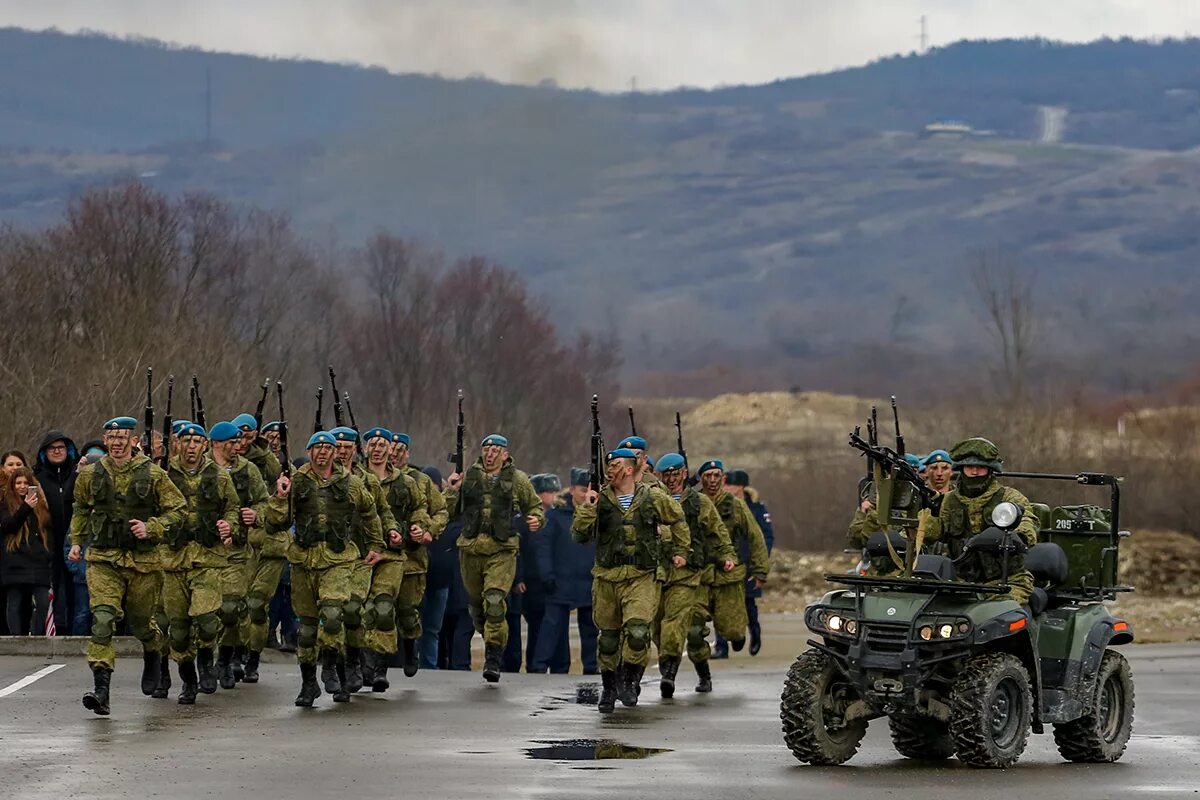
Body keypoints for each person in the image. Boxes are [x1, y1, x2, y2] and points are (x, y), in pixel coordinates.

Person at [68, 416, 186, 716]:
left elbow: (179, 511)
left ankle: (153, 651)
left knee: (141, 623)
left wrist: (153, 527)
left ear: (134, 441)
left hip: (143, 563)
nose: (118, 443)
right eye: (112, 437)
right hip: (104, 559)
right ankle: (101, 690)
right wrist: (78, 542)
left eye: (123, 437)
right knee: (103, 620)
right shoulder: (90, 475)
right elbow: (81, 507)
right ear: (104, 440)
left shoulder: (155, 475)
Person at [266, 431, 385, 707]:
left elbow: (370, 512)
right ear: (309, 452)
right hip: (304, 561)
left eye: (328, 448)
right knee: (306, 629)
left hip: (338, 560)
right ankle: (309, 683)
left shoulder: (351, 483)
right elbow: (275, 524)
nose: (322, 452)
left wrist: (376, 544)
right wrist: (280, 497)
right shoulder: (296, 482)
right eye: (317, 448)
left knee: (333, 615)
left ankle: (331, 666)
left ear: (335, 453)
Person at [572, 448, 690, 713]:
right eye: (608, 465)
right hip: (607, 577)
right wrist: (587, 508)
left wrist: (681, 550)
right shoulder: (600, 499)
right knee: (609, 639)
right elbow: (580, 536)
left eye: (615, 465)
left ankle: (629, 678)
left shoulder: (652, 497)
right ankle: (608, 686)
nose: (609, 469)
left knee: (637, 632)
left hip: (641, 576)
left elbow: (678, 518)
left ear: (628, 469)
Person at [445, 434, 545, 683]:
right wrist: (451, 490)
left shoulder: (518, 479)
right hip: (470, 550)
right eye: (486, 449)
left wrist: (536, 520)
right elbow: (448, 511)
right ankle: (492, 636)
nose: (490, 454)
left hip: (502, 549)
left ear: (505, 454)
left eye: (495, 449)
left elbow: (535, 506)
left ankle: (493, 657)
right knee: (478, 607)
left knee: (494, 601)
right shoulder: (468, 477)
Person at [162, 422, 242, 703]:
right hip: (174, 559)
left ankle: (206, 658)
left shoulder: (219, 476)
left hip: (208, 557)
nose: (192, 446)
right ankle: (188, 680)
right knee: (179, 630)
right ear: (178, 444)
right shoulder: (164, 474)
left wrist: (228, 525)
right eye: (187, 441)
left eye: (197, 441)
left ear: (205, 445)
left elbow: (232, 508)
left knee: (207, 621)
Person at [653, 453, 735, 696]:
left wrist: (727, 555)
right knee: (657, 629)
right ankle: (670, 664)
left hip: (690, 574)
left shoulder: (699, 502)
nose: (671, 479)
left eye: (675, 474)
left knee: (691, 629)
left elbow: (717, 531)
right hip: (658, 573)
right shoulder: (653, 500)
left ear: (684, 473)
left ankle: (676, 674)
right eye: (666, 475)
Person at [329, 425, 402, 693]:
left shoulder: (366, 480)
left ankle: (353, 663)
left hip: (359, 556)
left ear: (355, 450)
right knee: (332, 614)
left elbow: (382, 510)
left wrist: (391, 531)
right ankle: (336, 666)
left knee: (353, 611)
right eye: (337, 447)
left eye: (347, 447)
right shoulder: (316, 478)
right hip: (328, 558)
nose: (342, 452)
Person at [360, 426, 432, 689]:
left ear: (392, 449)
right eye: (373, 445)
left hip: (394, 554)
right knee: (360, 611)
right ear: (365, 448)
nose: (378, 450)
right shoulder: (355, 477)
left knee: (386, 607)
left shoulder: (407, 482)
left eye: (383, 445)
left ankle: (384, 665)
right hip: (362, 553)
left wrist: (418, 527)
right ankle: (365, 666)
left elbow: (420, 509)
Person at [924, 438, 1037, 603]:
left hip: (1006, 583)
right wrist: (908, 532)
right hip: (959, 583)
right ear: (962, 468)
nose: (975, 472)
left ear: (990, 470)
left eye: (981, 467)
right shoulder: (948, 501)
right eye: (970, 467)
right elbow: (930, 531)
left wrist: (1019, 536)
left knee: (1002, 617)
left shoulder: (1008, 497)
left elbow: (1027, 522)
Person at [208, 421, 270, 687]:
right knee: (207, 611)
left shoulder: (249, 470)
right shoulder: (201, 469)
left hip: (237, 550)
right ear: (217, 444)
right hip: (204, 549)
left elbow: (265, 502)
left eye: (239, 442)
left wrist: (256, 515)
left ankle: (225, 658)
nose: (238, 447)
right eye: (232, 443)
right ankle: (205, 662)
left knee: (231, 607)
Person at [697, 460, 769, 660]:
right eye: (707, 476)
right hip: (700, 575)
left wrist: (760, 569)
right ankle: (707, 663)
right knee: (695, 627)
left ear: (722, 478)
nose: (712, 480)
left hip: (729, 573)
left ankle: (742, 636)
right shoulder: (694, 503)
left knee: (734, 627)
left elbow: (756, 535)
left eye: (716, 476)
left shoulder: (735, 505)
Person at [531, 468, 599, 674]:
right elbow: (543, 547)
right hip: (561, 582)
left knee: (590, 629)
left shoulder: (597, 515)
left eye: (590, 489)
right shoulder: (556, 515)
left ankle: (592, 667)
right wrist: (547, 576)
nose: (586, 494)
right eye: (582, 489)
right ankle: (538, 667)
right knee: (551, 629)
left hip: (589, 581)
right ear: (571, 490)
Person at [717, 469, 774, 657]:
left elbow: (766, 536)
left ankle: (755, 634)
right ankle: (721, 647)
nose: (725, 487)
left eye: (729, 484)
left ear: (740, 486)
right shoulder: (721, 506)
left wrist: (759, 562)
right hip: (726, 562)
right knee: (722, 604)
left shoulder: (756, 508)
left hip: (749, 563)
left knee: (748, 604)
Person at [34, 430, 79, 634]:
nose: (57, 451)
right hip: (48, 542)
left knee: (76, 588)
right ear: (45, 452)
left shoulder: (77, 475)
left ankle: (75, 629)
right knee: (54, 588)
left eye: (61, 448)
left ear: (68, 450)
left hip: (74, 541)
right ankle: (55, 629)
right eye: (52, 448)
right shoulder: (37, 478)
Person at [1, 467, 55, 634]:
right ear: (12, 485)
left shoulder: (40, 506)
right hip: (14, 558)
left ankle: (38, 635)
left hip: (38, 560)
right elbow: (8, 526)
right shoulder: (4, 504)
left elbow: (48, 530)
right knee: (15, 602)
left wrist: (48, 554)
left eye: (26, 483)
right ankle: (17, 638)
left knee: (42, 601)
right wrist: (25, 507)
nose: (22, 486)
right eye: (18, 483)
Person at [418, 466, 455, 669]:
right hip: (417, 577)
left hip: (441, 579)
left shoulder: (444, 512)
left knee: (432, 629)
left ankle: (429, 667)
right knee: (413, 627)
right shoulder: (416, 510)